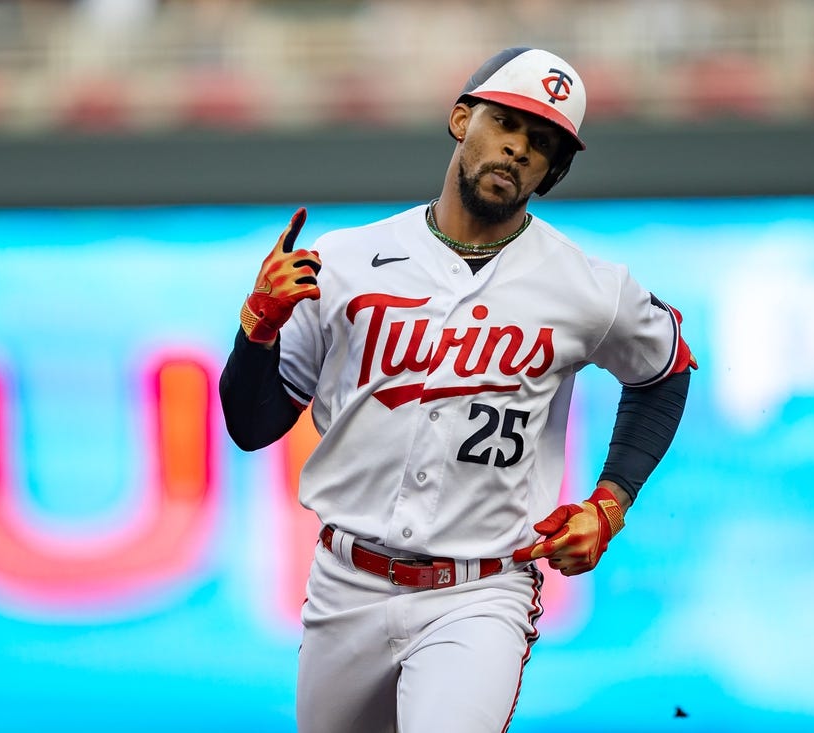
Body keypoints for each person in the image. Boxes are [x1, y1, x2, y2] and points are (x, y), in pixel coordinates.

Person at [219, 47, 696, 733]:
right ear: (461, 117)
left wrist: (611, 501)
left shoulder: (588, 286)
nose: (518, 149)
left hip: (481, 590)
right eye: (506, 123)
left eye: (542, 144)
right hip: (344, 583)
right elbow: (251, 423)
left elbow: (667, 367)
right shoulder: (347, 260)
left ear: (553, 172)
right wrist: (257, 330)